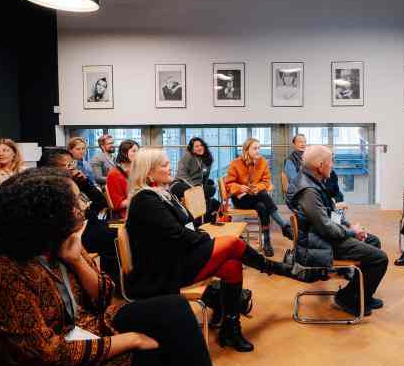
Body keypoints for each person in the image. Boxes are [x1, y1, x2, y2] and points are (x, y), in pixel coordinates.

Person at [0, 168, 249, 366]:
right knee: (179, 353)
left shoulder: (57, 245)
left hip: (83, 335)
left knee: (173, 310)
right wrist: (129, 340)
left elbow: (102, 299)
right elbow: (48, 356)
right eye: (72, 204)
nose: (82, 207)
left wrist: (75, 260)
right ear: (42, 216)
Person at [126, 148, 300, 353]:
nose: (170, 166)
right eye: (164, 165)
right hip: (164, 271)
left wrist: (200, 236)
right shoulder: (145, 200)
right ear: (149, 172)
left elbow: (186, 226)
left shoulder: (162, 193)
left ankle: (231, 327)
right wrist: (205, 238)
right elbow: (178, 234)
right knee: (233, 244)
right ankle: (276, 268)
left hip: (177, 256)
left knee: (232, 264)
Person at [286, 145, 389, 317]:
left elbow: (328, 214)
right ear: (320, 165)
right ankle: (348, 298)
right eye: (331, 161)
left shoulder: (311, 180)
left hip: (321, 237)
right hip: (317, 244)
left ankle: (362, 296)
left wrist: (348, 227)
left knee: (373, 242)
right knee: (379, 258)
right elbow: (326, 227)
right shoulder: (309, 190)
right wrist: (352, 232)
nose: (332, 164)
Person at [38, 149, 120, 285]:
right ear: (51, 169)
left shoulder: (74, 182)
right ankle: (111, 283)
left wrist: (85, 183)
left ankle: (111, 282)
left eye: (73, 164)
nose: (73, 168)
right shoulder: (48, 188)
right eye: (68, 165)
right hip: (72, 234)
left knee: (119, 233)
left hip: (89, 225)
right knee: (114, 237)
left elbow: (101, 203)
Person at [225, 138, 292, 257]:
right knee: (263, 195)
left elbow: (266, 182)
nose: (258, 151)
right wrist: (240, 187)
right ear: (246, 150)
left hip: (256, 197)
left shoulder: (262, 162)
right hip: (240, 199)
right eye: (255, 148)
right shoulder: (235, 163)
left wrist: (258, 187)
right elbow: (228, 184)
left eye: (258, 148)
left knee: (262, 206)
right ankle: (284, 225)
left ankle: (267, 241)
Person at [173, 137, 219, 222]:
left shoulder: (206, 158)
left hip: (196, 185)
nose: (200, 147)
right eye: (196, 146)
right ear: (192, 149)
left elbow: (204, 177)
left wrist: (201, 185)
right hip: (180, 183)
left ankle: (204, 219)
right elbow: (182, 175)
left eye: (201, 145)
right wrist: (196, 186)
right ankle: (201, 219)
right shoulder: (188, 156)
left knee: (210, 188)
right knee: (208, 190)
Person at [106, 140, 138, 220]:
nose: (137, 154)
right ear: (124, 153)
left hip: (136, 209)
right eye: (134, 151)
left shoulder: (137, 171)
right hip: (126, 215)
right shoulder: (114, 174)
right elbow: (118, 205)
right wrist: (141, 197)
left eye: (138, 151)